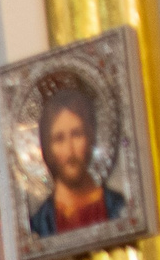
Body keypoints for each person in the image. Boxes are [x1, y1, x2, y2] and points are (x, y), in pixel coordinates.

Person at [26, 83, 126, 237]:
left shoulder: (117, 207)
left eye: (77, 134)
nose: (69, 150)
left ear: (90, 137)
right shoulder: (40, 225)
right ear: (47, 146)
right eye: (59, 139)